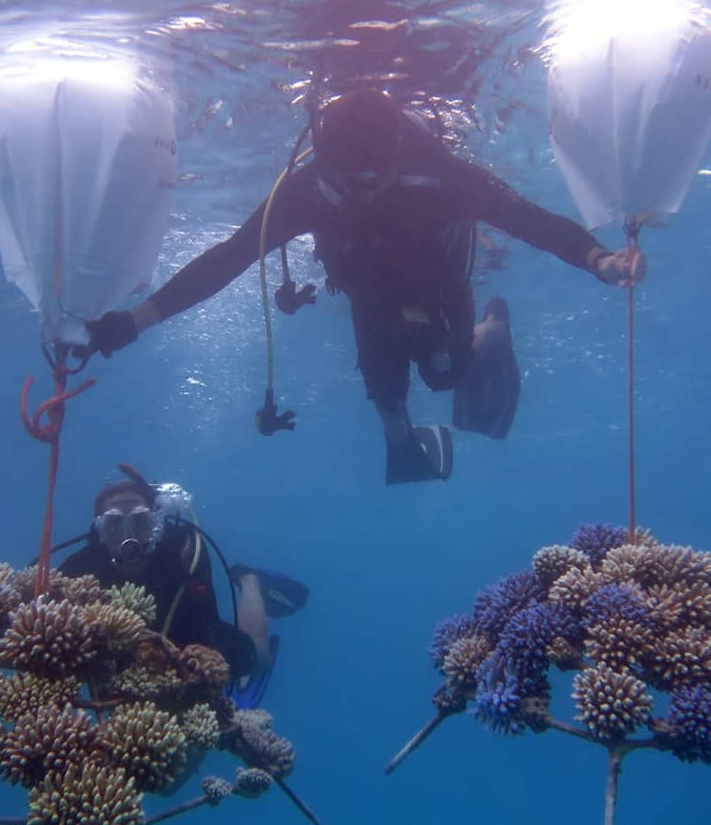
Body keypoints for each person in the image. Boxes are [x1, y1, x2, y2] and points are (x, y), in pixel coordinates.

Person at [78, 89, 645, 484]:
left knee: (446, 374)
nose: (346, 193)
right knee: (384, 394)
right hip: (368, 296)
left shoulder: (444, 178)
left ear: (396, 160)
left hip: (440, 289)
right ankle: (402, 440)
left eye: (363, 179)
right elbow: (228, 260)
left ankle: (494, 324)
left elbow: (532, 222)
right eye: (334, 178)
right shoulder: (305, 191)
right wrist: (134, 321)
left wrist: (598, 259)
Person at [58, 465, 309, 707]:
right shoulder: (79, 568)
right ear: (99, 530)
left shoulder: (184, 552)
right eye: (114, 523)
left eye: (140, 520)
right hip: (121, 661)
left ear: (156, 524)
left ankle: (250, 580)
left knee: (259, 660)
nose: (128, 532)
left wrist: (198, 672)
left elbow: (207, 623)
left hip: (190, 631)